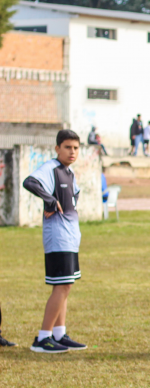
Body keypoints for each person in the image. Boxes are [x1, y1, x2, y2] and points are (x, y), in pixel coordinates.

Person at [22, 129, 89, 354]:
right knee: (62, 285)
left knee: (66, 285)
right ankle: (43, 338)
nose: (72, 152)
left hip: (70, 236)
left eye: (76, 148)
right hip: (58, 237)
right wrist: (50, 201)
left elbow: (74, 196)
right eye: (68, 147)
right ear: (57, 148)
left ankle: (59, 334)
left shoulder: (68, 173)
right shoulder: (51, 168)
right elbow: (30, 182)